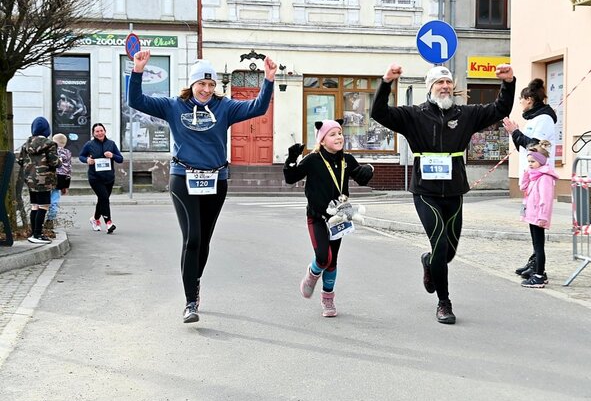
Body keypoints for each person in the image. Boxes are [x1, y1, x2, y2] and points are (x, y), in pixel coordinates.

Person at [128, 49, 277, 323]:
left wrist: (268, 80)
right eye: (201, 84)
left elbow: (257, 107)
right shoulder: (173, 106)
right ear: (192, 84)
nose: (207, 89)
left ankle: (194, 282)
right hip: (183, 178)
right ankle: (189, 303)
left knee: (204, 240)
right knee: (192, 238)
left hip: (216, 180)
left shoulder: (224, 107)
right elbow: (136, 100)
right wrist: (138, 71)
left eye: (211, 84)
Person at [370, 63, 515, 324]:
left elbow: (500, 109)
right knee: (439, 242)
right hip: (425, 191)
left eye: (448, 82)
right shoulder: (414, 115)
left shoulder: (466, 114)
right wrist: (387, 82)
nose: (445, 86)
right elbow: (379, 113)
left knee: (448, 252)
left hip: (454, 190)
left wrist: (508, 83)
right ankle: (444, 302)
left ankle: (429, 262)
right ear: (430, 88)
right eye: (439, 82)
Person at [284, 119, 374, 317]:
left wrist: (369, 169)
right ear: (322, 140)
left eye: (340, 133)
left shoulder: (347, 160)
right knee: (323, 257)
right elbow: (290, 178)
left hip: (339, 218)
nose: (338, 137)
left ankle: (328, 299)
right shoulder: (312, 160)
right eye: (332, 134)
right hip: (317, 217)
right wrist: (291, 159)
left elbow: (361, 177)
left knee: (333, 261)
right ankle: (312, 273)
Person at [502, 78, 558, 276]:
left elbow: (537, 149)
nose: (520, 102)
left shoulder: (544, 119)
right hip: (531, 177)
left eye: (521, 99)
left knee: (536, 224)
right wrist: (514, 134)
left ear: (529, 99)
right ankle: (534, 261)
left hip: (540, 178)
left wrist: (515, 132)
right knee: (532, 222)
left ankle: (539, 269)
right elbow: (525, 148)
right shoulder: (534, 119)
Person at [518, 141, 559, 288]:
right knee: (536, 245)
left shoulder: (545, 178)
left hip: (539, 217)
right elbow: (523, 187)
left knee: (539, 246)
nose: (530, 164)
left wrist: (543, 217)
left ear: (541, 161)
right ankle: (538, 271)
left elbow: (546, 199)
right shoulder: (534, 175)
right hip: (532, 215)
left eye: (532, 162)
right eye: (529, 161)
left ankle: (539, 276)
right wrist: (526, 173)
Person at [17, 117, 61, 244]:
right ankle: (37, 234)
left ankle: (33, 233)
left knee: (35, 205)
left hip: (30, 180)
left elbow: (20, 160)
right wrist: (60, 161)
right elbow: (54, 162)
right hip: (44, 180)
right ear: (47, 130)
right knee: (44, 206)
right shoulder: (50, 144)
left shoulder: (26, 144)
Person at [79, 123, 124, 234]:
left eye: (101, 131)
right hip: (95, 177)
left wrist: (112, 155)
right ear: (93, 133)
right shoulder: (89, 144)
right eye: (97, 131)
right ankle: (109, 223)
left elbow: (120, 159)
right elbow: (81, 156)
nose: (99, 133)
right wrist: (87, 160)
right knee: (104, 198)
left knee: (102, 199)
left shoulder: (111, 144)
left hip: (109, 177)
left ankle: (95, 219)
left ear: (105, 131)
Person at [45, 133, 72, 227]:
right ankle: (50, 219)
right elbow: (68, 169)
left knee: (45, 198)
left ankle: (42, 216)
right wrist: (66, 186)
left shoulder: (50, 151)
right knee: (55, 199)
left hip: (50, 176)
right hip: (61, 178)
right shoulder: (68, 153)